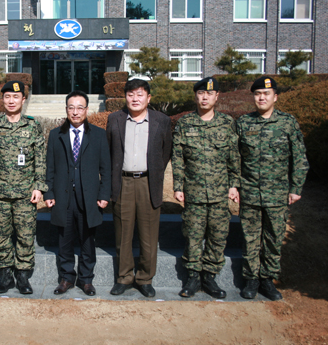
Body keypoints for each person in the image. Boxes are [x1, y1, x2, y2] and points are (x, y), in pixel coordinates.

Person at [237, 76, 309, 301]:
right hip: (249, 192)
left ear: (275, 97)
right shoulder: (243, 123)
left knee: (273, 237)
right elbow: (235, 158)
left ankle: (267, 279)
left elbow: (299, 157)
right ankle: (251, 279)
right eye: (257, 94)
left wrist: (296, 187)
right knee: (250, 238)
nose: (261, 97)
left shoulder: (287, 122)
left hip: (277, 194)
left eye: (266, 94)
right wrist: (235, 185)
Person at [171, 77, 240, 298]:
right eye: (201, 93)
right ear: (196, 96)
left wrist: (234, 184)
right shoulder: (185, 123)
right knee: (192, 234)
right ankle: (192, 277)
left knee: (218, 236)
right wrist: (178, 186)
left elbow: (233, 156)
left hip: (220, 193)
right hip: (194, 192)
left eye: (209, 94)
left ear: (217, 96)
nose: (204, 97)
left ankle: (210, 276)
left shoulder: (227, 123)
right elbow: (178, 157)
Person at [106, 78, 172, 297]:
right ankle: (124, 276)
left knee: (148, 234)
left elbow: (165, 152)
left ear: (148, 97)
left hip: (147, 182)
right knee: (122, 232)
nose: (135, 99)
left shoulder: (161, 120)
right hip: (122, 182)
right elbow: (109, 151)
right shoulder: (115, 119)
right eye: (130, 94)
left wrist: (153, 172)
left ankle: (145, 278)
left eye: (140, 94)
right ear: (125, 97)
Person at [0, 80, 47, 295]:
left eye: (15, 97)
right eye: (7, 97)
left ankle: (23, 276)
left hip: (25, 194)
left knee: (25, 235)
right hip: (0, 192)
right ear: (2, 99)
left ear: (23, 100)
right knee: (0, 235)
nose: (11, 101)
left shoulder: (32, 125)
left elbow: (40, 158)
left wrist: (39, 186)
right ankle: (5, 276)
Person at [44, 90, 111, 296]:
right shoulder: (56, 135)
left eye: (79, 107)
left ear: (86, 110)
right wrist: (49, 193)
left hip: (89, 197)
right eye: (71, 107)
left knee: (87, 241)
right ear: (66, 110)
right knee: (64, 241)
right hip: (63, 197)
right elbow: (50, 168)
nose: (75, 112)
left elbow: (106, 169)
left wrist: (104, 194)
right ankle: (66, 278)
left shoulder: (99, 135)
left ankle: (86, 280)